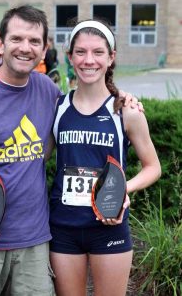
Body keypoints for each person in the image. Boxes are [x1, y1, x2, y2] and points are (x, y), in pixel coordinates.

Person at [0, 5, 142, 295]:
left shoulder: (48, 92)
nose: (25, 48)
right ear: (0, 43)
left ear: (44, 50)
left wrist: (124, 98)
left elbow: (87, 104)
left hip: (34, 246)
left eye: (34, 42)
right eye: (16, 39)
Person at [48, 20, 161, 296]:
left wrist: (124, 190)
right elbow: (35, 159)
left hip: (109, 225)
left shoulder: (127, 111)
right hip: (63, 227)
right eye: (81, 52)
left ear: (111, 58)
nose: (89, 60)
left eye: (98, 52)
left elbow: (153, 167)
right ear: (70, 56)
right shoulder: (57, 107)